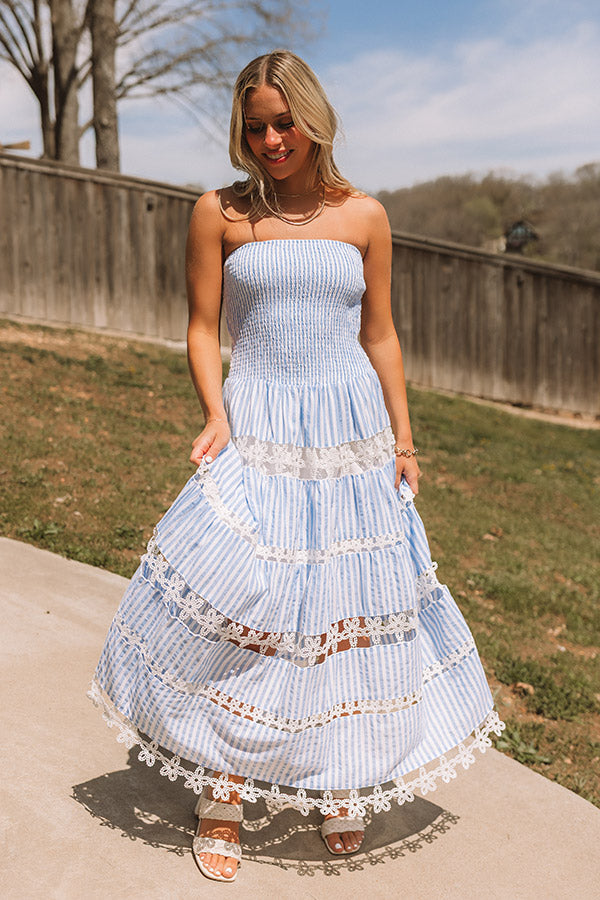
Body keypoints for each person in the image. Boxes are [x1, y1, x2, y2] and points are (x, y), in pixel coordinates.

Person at [89, 49, 504, 884]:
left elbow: (380, 335)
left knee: (347, 606)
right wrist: (216, 411)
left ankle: (339, 777)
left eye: (286, 122)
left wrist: (405, 440)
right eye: (256, 127)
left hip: (349, 431)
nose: (273, 140)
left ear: (313, 119)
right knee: (252, 602)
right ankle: (224, 789)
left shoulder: (366, 217)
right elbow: (203, 327)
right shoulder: (221, 213)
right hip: (263, 423)